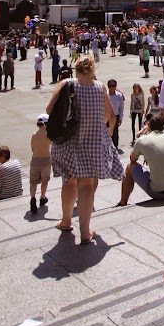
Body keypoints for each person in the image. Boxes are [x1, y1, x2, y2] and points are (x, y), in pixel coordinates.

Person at [47, 56, 124, 244]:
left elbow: (50, 110)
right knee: (87, 186)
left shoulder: (66, 84)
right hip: (93, 141)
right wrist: (96, 123)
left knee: (69, 182)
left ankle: (66, 221)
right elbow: (109, 114)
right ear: (92, 69)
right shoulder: (100, 87)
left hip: (69, 142)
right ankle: (85, 232)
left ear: (76, 69)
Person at [118, 113, 164, 204]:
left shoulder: (143, 140)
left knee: (130, 166)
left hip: (159, 192)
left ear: (148, 124)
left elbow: (132, 159)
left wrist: (143, 146)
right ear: (163, 127)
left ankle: (123, 202)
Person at [29, 114, 51, 214]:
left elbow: (32, 148)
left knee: (33, 181)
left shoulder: (34, 134)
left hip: (35, 159)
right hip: (46, 159)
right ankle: (42, 197)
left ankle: (33, 198)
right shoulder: (48, 134)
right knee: (45, 180)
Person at [107, 80, 126, 151]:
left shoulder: (119, 95)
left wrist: (120, 118)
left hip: (116, 116)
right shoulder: (105, 94)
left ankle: (115, 146)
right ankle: (107, 145)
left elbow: (121, 107)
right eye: (110, 86)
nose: (112, 88)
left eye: (113, 86)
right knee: (107, 131)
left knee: (115, 132)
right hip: (107, 116)